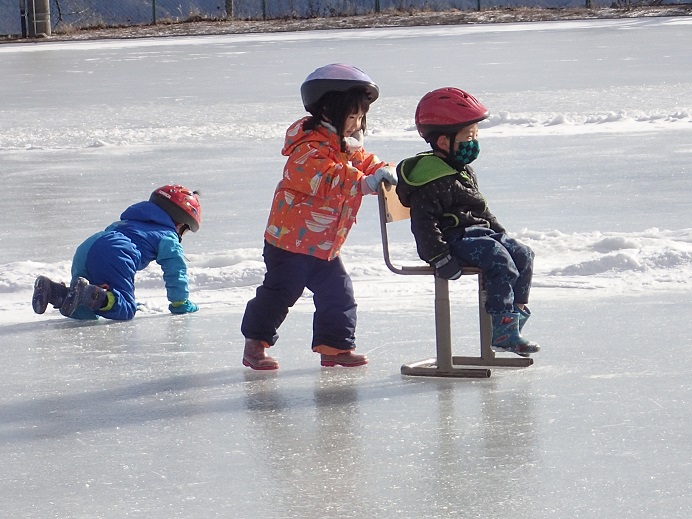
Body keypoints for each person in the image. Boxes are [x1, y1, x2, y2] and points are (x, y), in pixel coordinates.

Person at [240, 63, 397, 370]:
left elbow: (364, 161)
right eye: (351, 116)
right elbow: (328, 179)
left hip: (324, 245)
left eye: (360, 117)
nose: (356, 124)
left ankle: (335, 347)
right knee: (280, 293)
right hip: (289, 244)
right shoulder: (307, 149)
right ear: (328, 110)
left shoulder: (343, 146)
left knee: (339, 294)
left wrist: (383, 170)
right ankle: (255, 343)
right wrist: (364, 183)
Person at [395, 87, 539, 357]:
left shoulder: (461, 170)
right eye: (468, 137)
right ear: (443, 141)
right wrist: (438, 257)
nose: (474, 143)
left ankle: (512, 321)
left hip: (479, 234)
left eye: (475, 135)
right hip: (454, 241)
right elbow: (423, 223)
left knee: (523, 254)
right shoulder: (430, 180)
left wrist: (500, 232)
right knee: (499, 259)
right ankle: (504, 330)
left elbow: (480, 209)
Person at [32, 184, 202, 321]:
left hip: (88, 246)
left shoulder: (127, 222)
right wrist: (180, 302)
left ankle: (54, 291)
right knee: (125, 309)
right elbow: (176, 270)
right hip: (118, 252)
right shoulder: (167, 236)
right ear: (180, 224)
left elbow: (105, 244)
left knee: (83, 309)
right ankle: (92, 295)